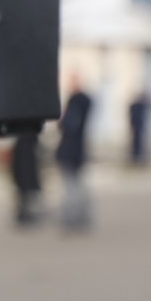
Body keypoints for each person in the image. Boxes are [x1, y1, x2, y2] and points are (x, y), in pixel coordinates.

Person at [56, 73, 93, 232]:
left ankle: (73, 219)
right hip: (77, 150)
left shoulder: (76, 102)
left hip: (70, 151)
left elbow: (69, 125)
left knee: (72, 188)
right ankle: (81, 217)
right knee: (78, 186)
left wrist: (63, 121)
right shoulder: (85, 102)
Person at [10, 132, 42, 227]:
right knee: (24, 198)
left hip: (23, 180)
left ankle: (24, 215)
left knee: (24, 199)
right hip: (24, 180)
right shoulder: (26, 146)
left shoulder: (23, 145)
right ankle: (23, 216)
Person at [128, 91, 151, 166]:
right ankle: (136, 155)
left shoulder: (138, 106)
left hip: (138, 126)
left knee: (139, 141)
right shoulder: (137, 106)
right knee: (137, 141)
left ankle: (138, 155)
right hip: (137, 126)